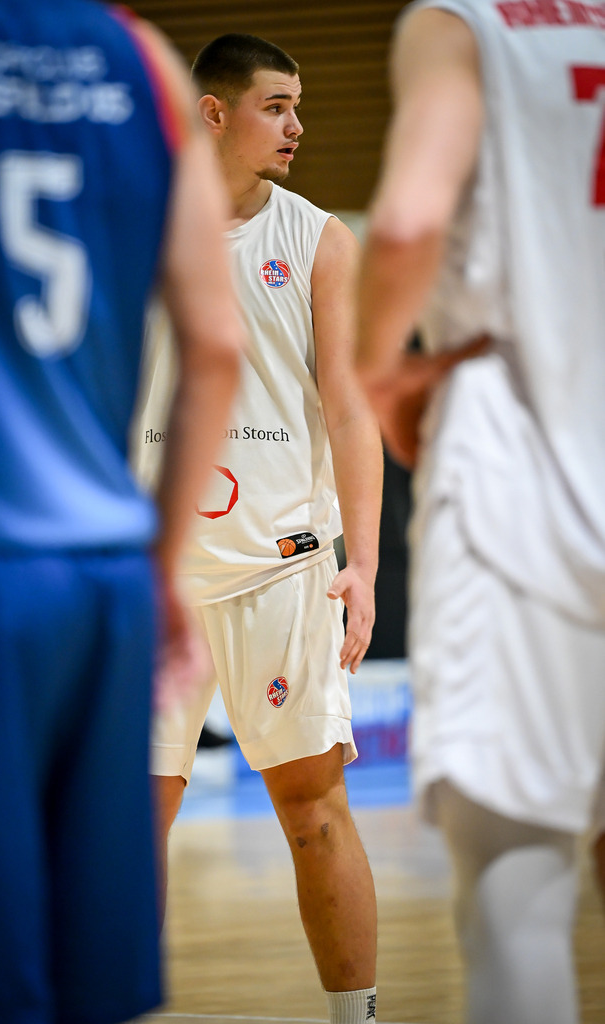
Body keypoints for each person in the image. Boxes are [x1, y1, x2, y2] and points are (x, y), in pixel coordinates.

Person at [0, 2, 242, 1022]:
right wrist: (158, 567)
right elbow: (215, 346)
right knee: (94, 979)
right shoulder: (141, 57)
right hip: (107, 584)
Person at [356, 2, 605, 1022]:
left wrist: (379, 375)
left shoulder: (459, 22)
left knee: (517, 905)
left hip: (518, 473)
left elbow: (409, 219)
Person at [133, 32, 382, 1024]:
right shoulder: (129, 225)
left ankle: (354, 1014)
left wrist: (360, 563)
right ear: (211, 112)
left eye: (298, 104)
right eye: (276, 105)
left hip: (282, 570)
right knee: (128, 823)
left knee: (310, 812)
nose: (297, 124)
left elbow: (351, 407)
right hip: (152, 578)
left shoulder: (319, 238)